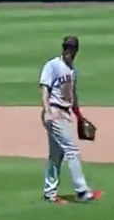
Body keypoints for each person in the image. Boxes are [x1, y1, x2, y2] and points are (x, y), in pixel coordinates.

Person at [39, 36, 101, 203]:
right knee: (72, 150)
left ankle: (50, 194)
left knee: (56, 155)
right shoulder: (53, 65)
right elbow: (44, 87)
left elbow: (72, 97)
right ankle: (82, 191)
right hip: (54, 112)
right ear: (63, 48)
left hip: (65, 113)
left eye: (72, 48)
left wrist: (80, 117)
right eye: (67, 48)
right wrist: (47, 111)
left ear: (76, 50)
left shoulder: (72, 70)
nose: (69, 51)